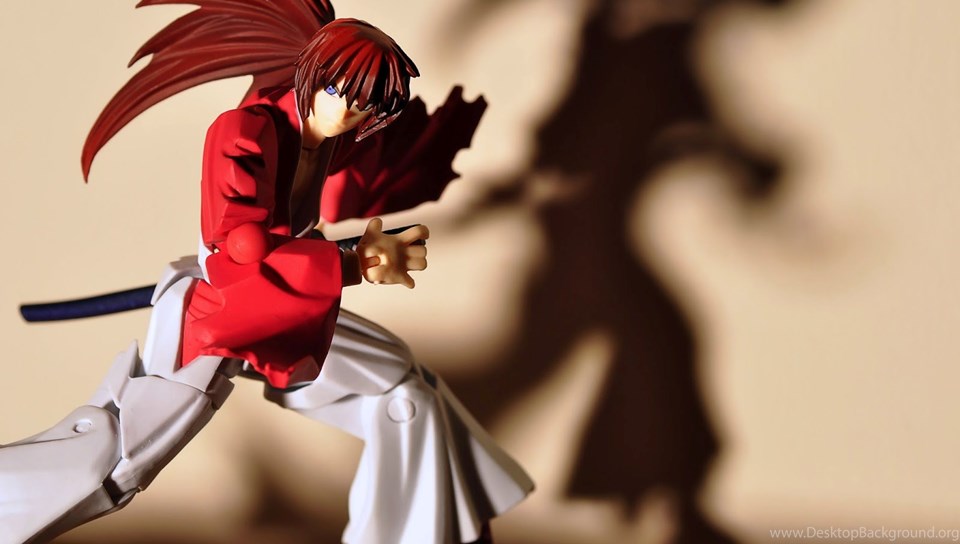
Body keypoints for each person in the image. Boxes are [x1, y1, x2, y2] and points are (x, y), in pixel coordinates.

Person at [0, 2, 533, 543]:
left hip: (288, 306)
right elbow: (237, 258)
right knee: (119, 462)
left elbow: (340, 202)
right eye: (338, 91)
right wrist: (355, 263)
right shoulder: (243, 134)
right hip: (217, 314)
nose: (347, 111)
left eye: (364, 103)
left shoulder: (333, 141)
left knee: (404, 390)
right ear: (311, 72)